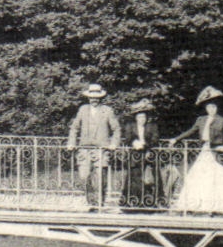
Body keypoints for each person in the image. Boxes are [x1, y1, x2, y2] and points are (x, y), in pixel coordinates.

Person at [168, 86, 223, 214]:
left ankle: (219, 206)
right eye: (208, 107)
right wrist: (176, 139)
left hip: (216, 153)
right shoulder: (201, 120)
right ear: (206, 108)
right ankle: (198, 205)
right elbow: (191, 131)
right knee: (197, 177)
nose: (211, 110)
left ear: (217, 108)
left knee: (218, 178)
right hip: (204, 151)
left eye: (213, 107)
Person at [66, 83, 120, 211]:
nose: (94, 100)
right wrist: (71, 142)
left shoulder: (107, 111)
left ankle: (99, 204)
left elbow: (116, 129)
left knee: (100, 179)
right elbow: (74, 127)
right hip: (84, 149)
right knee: (85, 177)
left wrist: (113, 144)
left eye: (97, 97)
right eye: (91, 97)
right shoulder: (83, 109)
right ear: (88, 98)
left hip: (101, 149)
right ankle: (91, 203)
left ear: (101, 98)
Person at [120, 99, 162, 210]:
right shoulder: (130, 126)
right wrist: (134, 142)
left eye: (143, 117)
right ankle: (132, 202)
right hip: (135, 156)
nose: (141, 119)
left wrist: (145, 145)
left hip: (149, 155)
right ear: (136, 118)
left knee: (152, 178)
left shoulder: (152, 126)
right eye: (139, 117)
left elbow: (155, 139)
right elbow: (127, 138)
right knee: (134, 177)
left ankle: (152, 202)